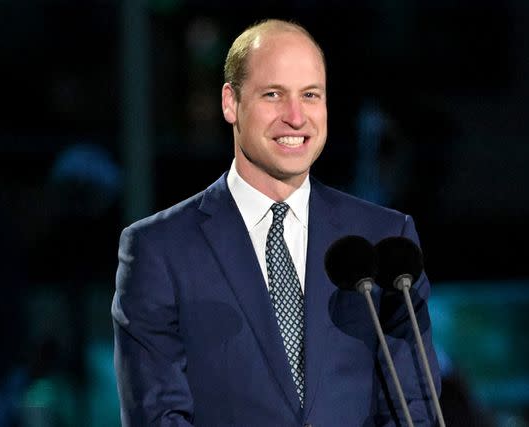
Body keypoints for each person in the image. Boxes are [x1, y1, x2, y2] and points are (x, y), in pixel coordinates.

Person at [112, 18, 441, 426]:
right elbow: (157, 415)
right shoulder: (158, 249)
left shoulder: (384, 241)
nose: (296, 117)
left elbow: (415, 408)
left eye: (310, 95)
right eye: (273, 95)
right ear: (231, 102)